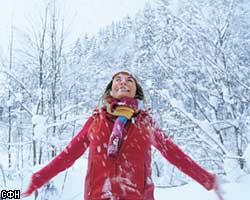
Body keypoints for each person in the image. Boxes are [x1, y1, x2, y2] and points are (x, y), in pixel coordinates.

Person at [22, 71, 224, 200]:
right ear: (110, 89)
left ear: (136, 91)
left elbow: (174, 154)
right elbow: (67, 155)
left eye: (129, 80)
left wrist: (207, 179)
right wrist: (37, 179)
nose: (123, 82)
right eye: (117, 79)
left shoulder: (145, 123)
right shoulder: (96, 121)